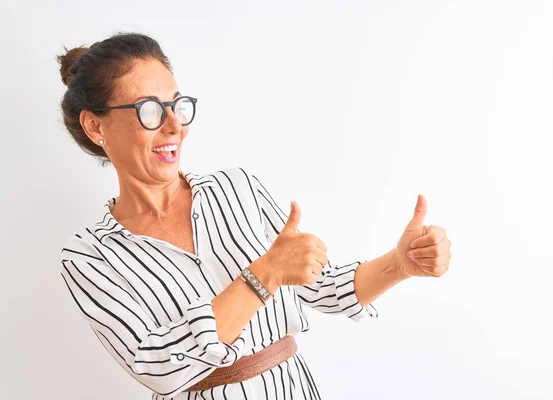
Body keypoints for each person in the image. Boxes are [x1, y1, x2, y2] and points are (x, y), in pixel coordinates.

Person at [57, 32, 452, 400]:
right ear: (95, 126)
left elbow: (326, 286)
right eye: (149, 110)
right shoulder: (89, 257)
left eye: (177, 105)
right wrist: (264, 275)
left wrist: (401, 264)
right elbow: (159, 366)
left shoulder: (237, 189)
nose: (176, 125)